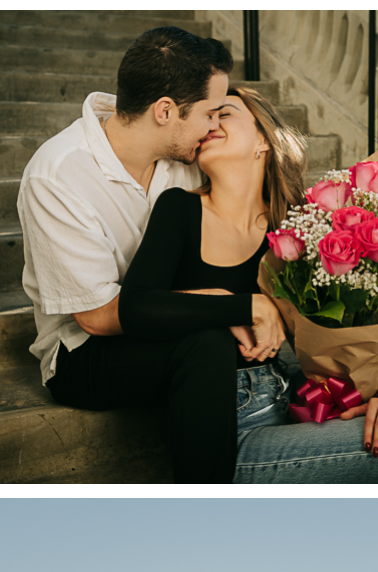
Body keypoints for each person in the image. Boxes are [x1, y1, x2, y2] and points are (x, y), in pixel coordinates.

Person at [117, 85, 378, 483]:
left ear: (262, 139)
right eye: (208, 116)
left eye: (224, 113)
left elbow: (359, 328)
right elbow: (138, 306)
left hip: (292, 396)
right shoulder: (178, 208)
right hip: (228, 426)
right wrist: (235, 305)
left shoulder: (296, 226)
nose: (210, 123)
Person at [17, 25, 244, 483]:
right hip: (85, 353)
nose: (216, 127)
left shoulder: (186, 158)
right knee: (208, 345)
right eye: (210, 114)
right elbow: (97, 317)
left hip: (165, 315)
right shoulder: (57, 174)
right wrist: (225, 306)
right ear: (165, 111)